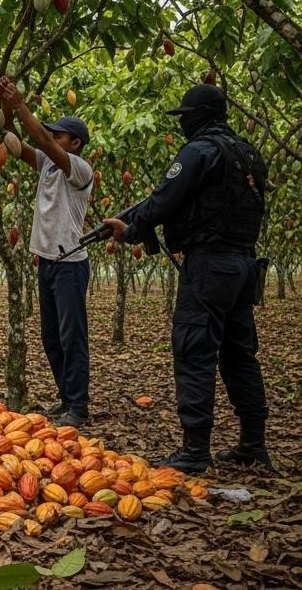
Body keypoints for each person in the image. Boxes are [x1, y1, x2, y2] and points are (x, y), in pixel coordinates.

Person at [103, 84, 269, 473]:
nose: (183, 124)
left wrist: (130, 229)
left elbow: (164, 200)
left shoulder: (199, 151)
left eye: (185, 117)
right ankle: (253, 443)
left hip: (210, 265)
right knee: (239, 352)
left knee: (195, 350)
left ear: (201, 115)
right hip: (244, 265)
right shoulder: (248, 153)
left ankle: (195, 450)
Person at [0, 77, 93, 429]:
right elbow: (14, 140)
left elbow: (38, 138)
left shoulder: (78, 169)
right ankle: (66, 397)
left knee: (72, 338)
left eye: (59, 136)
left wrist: (21, 103)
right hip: (47, 262)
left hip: (70, 264)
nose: (52, 138)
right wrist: (5, 106)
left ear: (75, 144)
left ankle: (78, 406)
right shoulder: (48, 164)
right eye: (52, 134)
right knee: (51, 338)